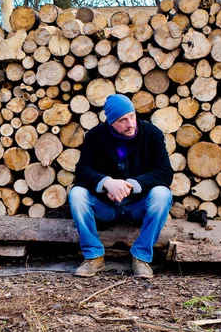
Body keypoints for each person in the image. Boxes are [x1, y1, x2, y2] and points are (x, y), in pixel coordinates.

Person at [69, 94, 174, 278]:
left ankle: (141, 257)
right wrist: (107, 183)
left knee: (162, 194)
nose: (130, 124)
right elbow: (82, 171)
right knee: (77, 194)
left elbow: (165, 172)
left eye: (132, 116)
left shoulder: (152, 134)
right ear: (110, 122)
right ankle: (94, 257)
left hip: (138, 205)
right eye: (122, 120)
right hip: (105, 206)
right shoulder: (94, 136)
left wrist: (132, 185)